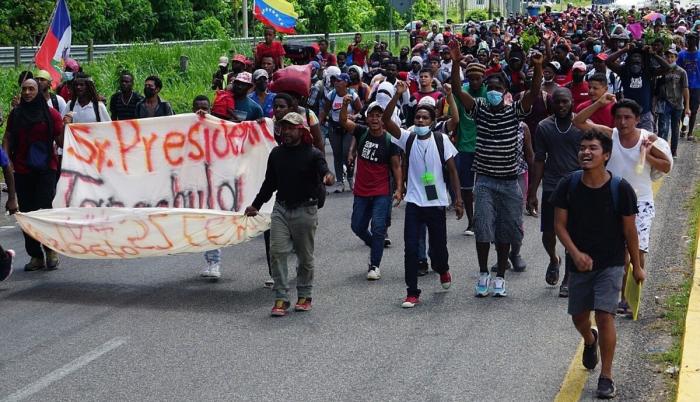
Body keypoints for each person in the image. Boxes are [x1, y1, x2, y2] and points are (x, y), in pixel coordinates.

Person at [551, 131, 644, 400]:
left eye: (592, 148)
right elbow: (559, 225)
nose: (586, 152)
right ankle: (589, 340)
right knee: (579, 317)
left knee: (605, 315)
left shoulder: (620, 189)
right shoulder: (568, 185)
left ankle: (607, 376)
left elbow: (630, 232)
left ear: (606, 155)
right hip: (579, 265)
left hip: (611, 263)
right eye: (582, 148)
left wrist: (636, 266)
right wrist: (575, 253)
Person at [450, 41, 544, 298]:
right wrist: (456, 62)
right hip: (485, 182)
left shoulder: (515, 112)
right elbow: (457, 90)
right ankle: (483, 273)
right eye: (489, 88)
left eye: (497, 88)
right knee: (483, 228)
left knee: (506, 231)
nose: (492, 91)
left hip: (510, 182)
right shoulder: (479, 109)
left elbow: (534, 94)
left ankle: (500, 276)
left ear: (505, 92)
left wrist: (537, 67)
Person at [574, 96, 672, 316]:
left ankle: (631, 299)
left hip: (642, 203)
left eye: (628, 117)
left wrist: (647, 156)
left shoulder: (647, 139)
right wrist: (599, 103)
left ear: (637, 119)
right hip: (614, 201)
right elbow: (579, 122)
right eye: (618, 117)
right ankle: (619, 297)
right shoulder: (611, 135)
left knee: (637, 251)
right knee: (620, 252)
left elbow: (666, 166)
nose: (623, 122)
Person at [383, 81, 464, 308]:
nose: (420, 121)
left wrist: (458, 199)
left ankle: (443, 269)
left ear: (432, 122)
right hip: (415, 204)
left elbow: (452, 170)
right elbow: (387, 122)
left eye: (425, 118)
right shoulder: (408, 137)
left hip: (436, 203)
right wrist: (397, 95)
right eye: (417, 117)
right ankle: (412, 291)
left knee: (439, 249)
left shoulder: (441, 139)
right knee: (411, 248)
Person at [245, 112, 335, 317]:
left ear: (301, 130)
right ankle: (281, 297)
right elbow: (270, 184)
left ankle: (304, 294)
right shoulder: (276, 154)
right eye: (283, 128)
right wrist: (256, 205)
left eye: (290, 128)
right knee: (277, 252)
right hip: (281, 209)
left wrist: (328, 177)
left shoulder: (313, 154)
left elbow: (324, 171)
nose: (286, 131)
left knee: (304, 256)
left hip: (306, 210)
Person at [528, 88, 585, 297]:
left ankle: (568, 277)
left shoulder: (581, 124)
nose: (561, 106)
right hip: (553, 186)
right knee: (549, 233)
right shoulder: (544, 127)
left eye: (565, 102)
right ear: (551, 104)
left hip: (577, 186)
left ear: (571, 102)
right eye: (557, 102)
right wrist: (533, 192)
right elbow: (540, 159)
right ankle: (554, 259)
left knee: (572, 234)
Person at [2, 79, 62, 271]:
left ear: (38, 91)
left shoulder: (51, 114)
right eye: (25, 89)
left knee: (44, 211)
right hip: (22, 171)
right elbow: (8, 137)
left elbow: (62, 141)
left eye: (31, 89)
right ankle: (35, 256)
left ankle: (51, 250)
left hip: (46, 171)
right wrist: (7, 160)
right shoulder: (16, 114)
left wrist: (68, 126)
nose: (27, 92)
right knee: (27, 214)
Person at [340, 99, 403, 280]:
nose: (375, 119)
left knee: (378, 227)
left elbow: (396, 167)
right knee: (357, 226)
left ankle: (374, 265)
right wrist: (344, 105)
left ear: (383, 119)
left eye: (379, 116)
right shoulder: (361, 132)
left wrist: (398, 189)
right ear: (366, 118)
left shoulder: (390, 140)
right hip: (361, 191)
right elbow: (344, 121)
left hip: (381, 191)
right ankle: (374, 243)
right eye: (372, 116)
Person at [189, 95, 224, 279]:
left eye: (205, 108)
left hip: (213, 185)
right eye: (197, 107)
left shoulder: (217, 126)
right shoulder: (186, 128)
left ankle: (214, 262)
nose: (201, 111)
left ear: (211, 109)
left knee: (212, 223)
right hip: (194, 185)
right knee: (202, 224)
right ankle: (210, 262)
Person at [453, 63, 488, 236]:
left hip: (485, 145)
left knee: (483, 186)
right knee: (467, 187)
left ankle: (483, 218)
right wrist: (455, 62)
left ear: (483, 78)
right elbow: (455, 88)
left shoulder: (489, 92)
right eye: (471, 78)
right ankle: (471, 221)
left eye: (478, 79)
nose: (474, 82)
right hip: (465, 145)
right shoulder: (462, 91)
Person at [606, 43, 671, 131]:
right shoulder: (624, 71)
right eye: (634, 56)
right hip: (628, 114)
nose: (636, 59)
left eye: (639, 57)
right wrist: (624, 50)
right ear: (629, 59)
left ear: (643, 61)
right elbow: (608, 61)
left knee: (646, 142)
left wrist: (653, 54)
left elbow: (667, 68)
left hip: (645, 115)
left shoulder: (648, 72)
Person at [319, 73, 362, 193]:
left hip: (348, 129)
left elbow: (361, 111)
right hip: (334, 128)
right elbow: (325, 110)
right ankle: (339, 181)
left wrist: (353, 116)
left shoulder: (353, 95)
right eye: (335, 81)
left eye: (339, 81)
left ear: (346, 83)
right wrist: (319, 123)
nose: (336, 83)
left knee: (346, 153)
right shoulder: (331, 95)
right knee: (337, 154)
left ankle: (349, 176)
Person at [656, 48, 690, 157]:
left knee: (675, 129)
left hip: (677, 104)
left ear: (676, 58)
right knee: (663, 128)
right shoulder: (661, 70)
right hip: (664, 103)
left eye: (672, 57)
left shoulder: (681, 72)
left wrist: (687, 106)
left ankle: (673, 150)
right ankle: (663, 150)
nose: (670, 59)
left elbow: (685, 89)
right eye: (668, 57)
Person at [678, 33, 700, 139]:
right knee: (683, 109)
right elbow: (677, 70)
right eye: (689, 39)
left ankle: (690, 132)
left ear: (696, 40)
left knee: (694, 110)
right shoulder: (682, 55)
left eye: (693, 39)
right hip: (683, 86)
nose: (691, 41)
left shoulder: (699, 55)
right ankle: (684, 127)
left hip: (697, 87)